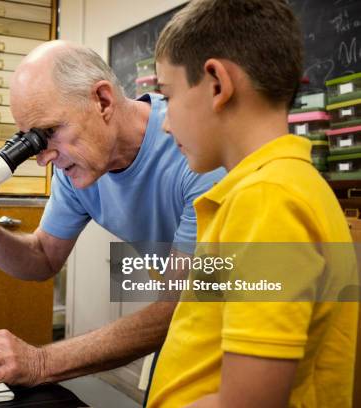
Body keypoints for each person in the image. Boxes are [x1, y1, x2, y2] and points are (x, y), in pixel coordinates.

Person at [0, 40, 224, 387]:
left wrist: (41, 361)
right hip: (187, 325)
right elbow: (43, 257)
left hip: (241, 329)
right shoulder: (78, 167)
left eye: (47, 133)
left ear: (103, 101)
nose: (43, 157)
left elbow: (180, 303)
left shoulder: (196, 153)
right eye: (30, 140)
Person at [147, 0, 358, 406]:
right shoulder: (285, 187)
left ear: (217, 84)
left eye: (168, 96)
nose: (166, 122)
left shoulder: (266, 201)